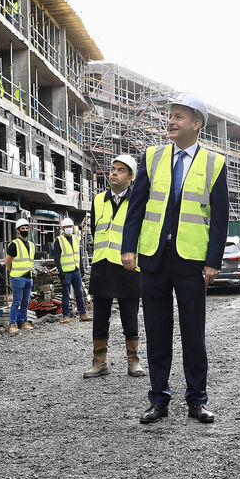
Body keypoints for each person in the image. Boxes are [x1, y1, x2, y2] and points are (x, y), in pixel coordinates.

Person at [122, 94, 228, 424]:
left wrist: (213, 261)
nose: (171, 121)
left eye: (179, 117)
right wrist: (128, 247)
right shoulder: (152, 157)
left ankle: (197, 400)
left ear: (196, 124)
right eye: (170, 116)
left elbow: (221, 218)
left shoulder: (214, 163)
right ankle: (159, 399)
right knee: (157, 332)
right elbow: (136, 207)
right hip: (154, 258)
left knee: (193, 333)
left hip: (192, 262)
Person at [84, 154, 145, 379]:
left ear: (130, 177)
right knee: (100, 317)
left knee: (130, 315)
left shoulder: (138, 200)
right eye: (112, 169)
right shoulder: (98, 200)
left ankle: (134, 362)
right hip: (102, 265)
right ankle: (99, 362)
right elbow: (94, 230)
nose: (114, 173)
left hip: (128, 266)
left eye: (120, 170)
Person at [51, 217, 89, 323]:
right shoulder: (59, 240)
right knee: (66, 294)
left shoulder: (76, 238)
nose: (69, 228)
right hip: (66, 272)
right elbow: (57, 258)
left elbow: (79, 254)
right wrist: (60, 271)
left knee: (79, 293)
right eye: (66, 227)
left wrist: (81, 268)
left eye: (70, 226)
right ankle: (66, 316)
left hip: (76, 270)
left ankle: (83, 314)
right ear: (62, 228)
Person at [5, 217, 35, 334]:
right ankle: (13, 324)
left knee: (25, 302)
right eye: (22, 228)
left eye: (27, 228)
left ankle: (23, 322)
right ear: (18, 230)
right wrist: (12, 271)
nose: (25, 230)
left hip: (28, 277)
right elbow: (8, 261)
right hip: (18, 277)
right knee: (16, 302)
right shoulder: (14, 244)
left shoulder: (31, 245)